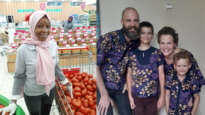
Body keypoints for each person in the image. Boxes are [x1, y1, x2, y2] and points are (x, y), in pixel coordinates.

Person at [0, 11, 72, 115]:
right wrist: (13, 100)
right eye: (39, 26)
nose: (45, 30)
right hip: (32, 94)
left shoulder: (52, 45)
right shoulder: (23, 50)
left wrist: (64, 80)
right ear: (32, 27)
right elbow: (19, 76)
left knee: (46, 113)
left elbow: (55, 66)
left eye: (47, 26)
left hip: (50, 90)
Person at [97, 7, 140, 115]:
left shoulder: (138, 42)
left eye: (135, 20)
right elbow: (95, 67)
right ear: (122, 22)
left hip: (121, 89)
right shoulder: (108, 39)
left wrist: (130, 80)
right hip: (102, 86)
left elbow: (144, 62)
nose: (132, 24)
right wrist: (104, 94)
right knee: (106, 112)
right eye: (128, 20)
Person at [126, 21, 165, 115]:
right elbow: (129, 75)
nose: (146, 36)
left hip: (152, 98)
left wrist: (162, 97)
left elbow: (161, 75)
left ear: (152, 36)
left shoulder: (157, 53)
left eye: (149, 33)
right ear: (139, 34)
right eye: (143, 33)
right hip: (137, 98)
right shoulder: (132, 53)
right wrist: (130, 97)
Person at [165, 50, 201, 115]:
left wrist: (193, 113)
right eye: (179, 66)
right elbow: (167, 95)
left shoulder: (192, 79)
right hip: (172, 112)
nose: (182, 68)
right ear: (175, 66)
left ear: (189, 66)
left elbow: (197, 97)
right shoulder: (170, 78)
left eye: (184, 66)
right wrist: (167, 110)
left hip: (187, 112)